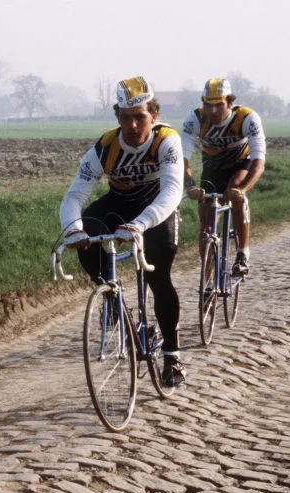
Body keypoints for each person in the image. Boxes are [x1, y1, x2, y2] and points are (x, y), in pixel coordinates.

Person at [59, 76, 186, 386]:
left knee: (159, 278)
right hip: (119, 203)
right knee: (87, 231)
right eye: (125, 117)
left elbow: (171, 191)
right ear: (117, 117)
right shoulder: (105, 148)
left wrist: (141, 224)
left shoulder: (166, 140)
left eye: (139, 117)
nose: (132, 125)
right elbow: (75, 196)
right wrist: (72, 229)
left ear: (153, 116)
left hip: (155, 209)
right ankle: (112, 296)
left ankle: (172, 356)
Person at [181, 78, 266, 277]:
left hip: (240, 164)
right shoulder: (194, 119)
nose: (212, 111)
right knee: (206, 219)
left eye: (218, 105)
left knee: (235, 188)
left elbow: (258, 163)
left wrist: (243, 190)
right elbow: (182, 159)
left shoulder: (247, 118)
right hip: (213, 168)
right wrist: (190, 185)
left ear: (230, 103)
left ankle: (242, 254)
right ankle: (208, 280)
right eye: (207, 105)